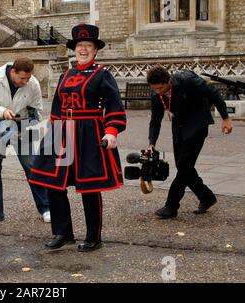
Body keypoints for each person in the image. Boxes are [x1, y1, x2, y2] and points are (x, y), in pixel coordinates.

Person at [28, 23, 126, 252]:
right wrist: (51, 130)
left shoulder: (102, 75)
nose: (83, 49)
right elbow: (57, 105)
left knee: (89, 187)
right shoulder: (66, 74)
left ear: (95, 49)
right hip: (61, 132)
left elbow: (114, 107)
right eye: (79, 45)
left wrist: (111, 131)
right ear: (74, 48)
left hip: (89, 132)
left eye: (88, 45)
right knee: (52, 182)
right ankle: (63, 232)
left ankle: (94, 237)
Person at [146, 66, 233, 218]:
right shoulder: (156, 94)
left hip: (197, 123)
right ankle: (207, 197)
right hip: (179, 126)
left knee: (184, 165)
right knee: (183, 166)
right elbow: (155, 120)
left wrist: (226, 118)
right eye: (155, 89)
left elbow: (214, 93)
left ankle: (171, 206)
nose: (158, 92)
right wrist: (152, 142)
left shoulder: (187, 80)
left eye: (160, 88)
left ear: (168, 82)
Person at [0, 58, 50, 224]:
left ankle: (46, 208)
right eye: (22, 78)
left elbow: (37, 108)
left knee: (32, 166)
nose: (25, 82)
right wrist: (2, 111)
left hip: (23, 124)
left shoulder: (33, 83)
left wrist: (31, 120)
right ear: (13, 72)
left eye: (28, 78)